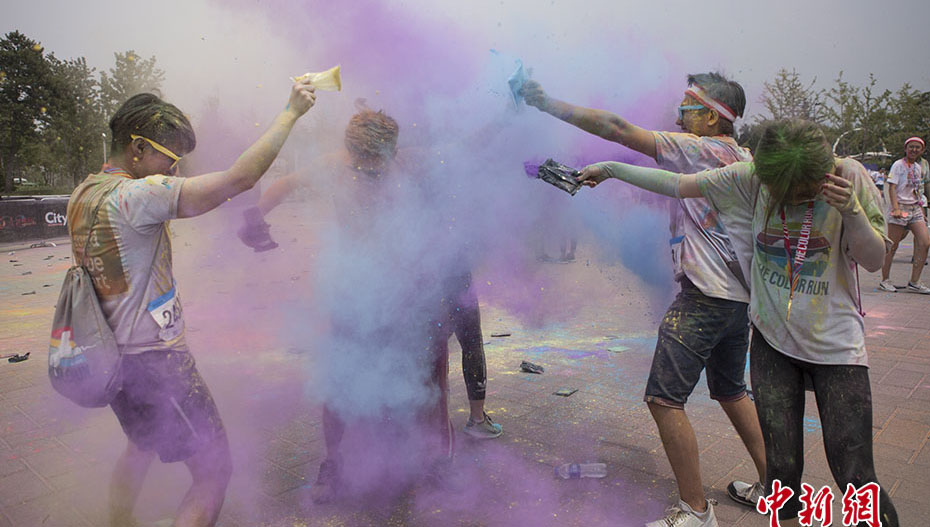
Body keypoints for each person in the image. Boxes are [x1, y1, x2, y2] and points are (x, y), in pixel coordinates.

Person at [578, 119, 899, 527]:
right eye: (782, 191)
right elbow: (677, 184)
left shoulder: (849, 175)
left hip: (837, 349)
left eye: (803, 192)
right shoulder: (751, 176)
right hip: (772, 345)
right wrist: (610, 169)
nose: (791, 199)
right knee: (781, 474)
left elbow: (872, 260)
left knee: (855, 474)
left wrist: (852, 211)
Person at [66, 82, 316, 527]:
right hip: (156, 365)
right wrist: (291, 112)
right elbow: (240, 179)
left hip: (112, 361)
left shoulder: (83, 193)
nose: (175, 169)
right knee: (213, 473)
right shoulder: (138, 196)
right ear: (138, 148)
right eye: (170, 157)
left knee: (141, 446)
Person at [523, 73, 766, 527]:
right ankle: (776, 487)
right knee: (732, 391)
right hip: (736, 302)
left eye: (688, 107)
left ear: (712, 117)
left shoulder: (701, 150)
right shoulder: (739, 156)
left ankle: (695, 511)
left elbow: (616, 128)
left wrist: (546, 102)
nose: (679, 114)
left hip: (705, 298)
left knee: (664, 399)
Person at [239, 108, 503, 443]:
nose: (371, 170)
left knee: (422, 371)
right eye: (362, 163)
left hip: (403, 291)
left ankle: (428, 451)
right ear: (350, 152)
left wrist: (505, 115)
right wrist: (256, 215)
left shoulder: (409, 163)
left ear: (393, 150)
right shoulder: (333, 166)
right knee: (343, 371)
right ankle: (337, 459)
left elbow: (465, 148)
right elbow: (285, 184)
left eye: (379, 162)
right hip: (354, 288)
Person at [879, 137, 930, 293]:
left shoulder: (918, 167)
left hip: (915, 208)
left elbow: (917, 190)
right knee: (892, 245)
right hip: (900, 207)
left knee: (924, 242)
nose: (914, 150)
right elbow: (892, 188)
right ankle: (885, 280)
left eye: (917, 147)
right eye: (911, 147)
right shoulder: (898, 165)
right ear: (905, 148)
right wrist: (895, 208)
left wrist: (921, 210)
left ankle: (915, 281)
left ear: (922, 150)